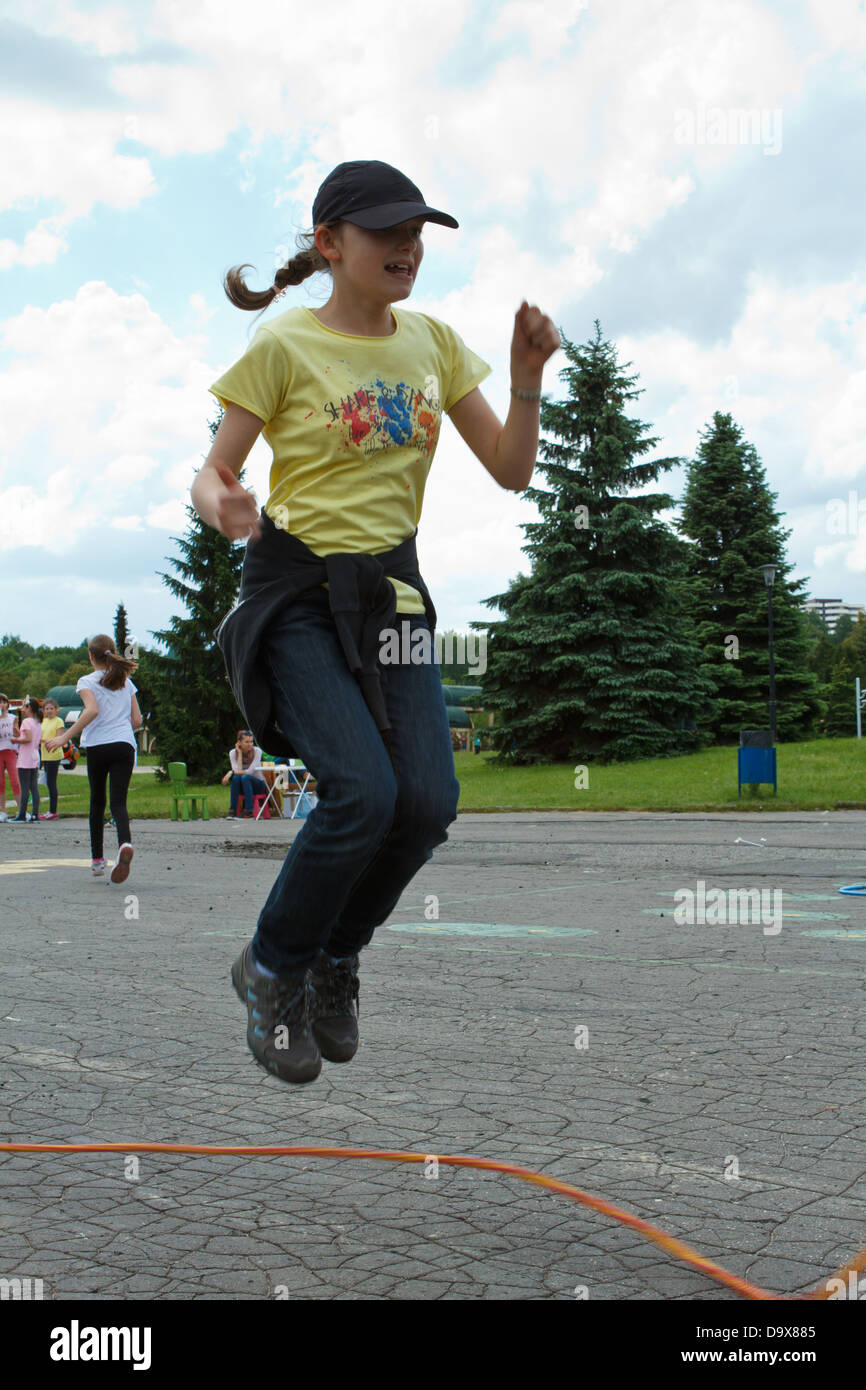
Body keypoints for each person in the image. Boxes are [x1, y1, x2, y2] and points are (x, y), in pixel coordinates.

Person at [192, 159, 559, 1086]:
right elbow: (212, 470)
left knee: (428, 801)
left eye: (419, 234)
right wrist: (223, 504)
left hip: (392, 596)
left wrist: (525, 380)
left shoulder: (432, 343)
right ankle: (271, 967)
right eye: (388, 232)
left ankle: (332, 957)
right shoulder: (283, 346)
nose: (408, 248)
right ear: (329, 244)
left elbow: (512, 470)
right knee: (362, 791)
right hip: (299, 597)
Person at [45, 635, 142, 882]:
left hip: (99, 746)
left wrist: (63, 737)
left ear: (90, 656)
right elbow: (137, 720)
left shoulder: (85, 681)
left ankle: (98, 860)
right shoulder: (124, 679)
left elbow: (92, 710)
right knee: (119, 802)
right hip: (124, 746)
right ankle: (124, 843)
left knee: (98, 802)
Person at [222, 729, 269, 817]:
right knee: (236, 778)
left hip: (258, 785)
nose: (250, 744)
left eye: (251, 741)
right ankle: (233, 810)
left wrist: (231, 772)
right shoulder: (233, 753)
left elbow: (250, 772)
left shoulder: (257, 751)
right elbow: (237, 770)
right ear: (239, 743)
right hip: (243, 786)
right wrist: (239, 754)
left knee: (245, 777)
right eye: (247, 742)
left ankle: (249, 810)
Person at [11, 698, 41, 822]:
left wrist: (15, 740)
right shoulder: (37, 722)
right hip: (34, 756)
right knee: (34, 787)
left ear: (29, 708)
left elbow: (27, 738)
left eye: (24, 707)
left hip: (25, 758)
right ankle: (35, 814)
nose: (22, 709)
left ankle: (22, 814)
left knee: (24, 788)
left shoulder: (27, 722)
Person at [40, 697, 64, 819]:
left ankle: (53, 811)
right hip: (45, 755)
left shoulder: (58, 721)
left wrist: (42, 740)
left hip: (54, 755)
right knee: (48, 782)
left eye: (51, 708)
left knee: (51, 782)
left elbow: (59, 738)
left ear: (56, 710)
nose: (49, 711)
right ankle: (50, 810)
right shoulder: (43, 721)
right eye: (47, 708)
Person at [0, 693, 20, 821]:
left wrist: (15, 730)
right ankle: (3, 811)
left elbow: (18, 734)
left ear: (7, 704)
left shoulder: (13, 718)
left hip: (11, 750)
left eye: (3, 702)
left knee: (15, 781)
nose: (1, 705)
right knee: (0, 782)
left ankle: (21, 809)